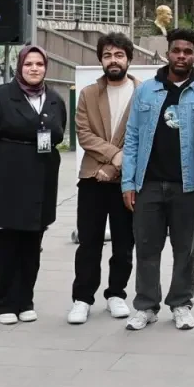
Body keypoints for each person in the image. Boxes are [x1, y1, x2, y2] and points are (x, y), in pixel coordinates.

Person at [0, 45, 66, 324]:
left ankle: (25, 300)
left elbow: (58, 133)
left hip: (40, 179)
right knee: (5, 243)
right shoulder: (0, 97)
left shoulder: (54, 99)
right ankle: (4, 303)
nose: (34, 68)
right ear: (19, 67)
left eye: (39, 64)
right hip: (4, 178)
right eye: (29, 63)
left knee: (32, 244)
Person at [120, 28, 194, 331]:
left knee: (185, 249)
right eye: (176, 51)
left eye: (187, 51)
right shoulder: (146, 89)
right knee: (147, 248)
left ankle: (181, 304)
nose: (181, 56)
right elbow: (131, 137)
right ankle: (146, 305)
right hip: (148, 184)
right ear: (168, 53)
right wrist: (128, 183)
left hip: (187, 185)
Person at [68, 33, 141, 325]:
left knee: (124, 242)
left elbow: (141, 137)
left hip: (126, 181)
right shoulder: (88, 94)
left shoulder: (142, 92)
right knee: (89, 242)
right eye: (108, 55)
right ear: (100, 59)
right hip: (91, 179)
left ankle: (116, 294)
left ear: (128, 59)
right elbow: (84, 134)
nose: (114, 60)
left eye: (119, 55)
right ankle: (82, 299)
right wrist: (114, 156)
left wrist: (113, 168)